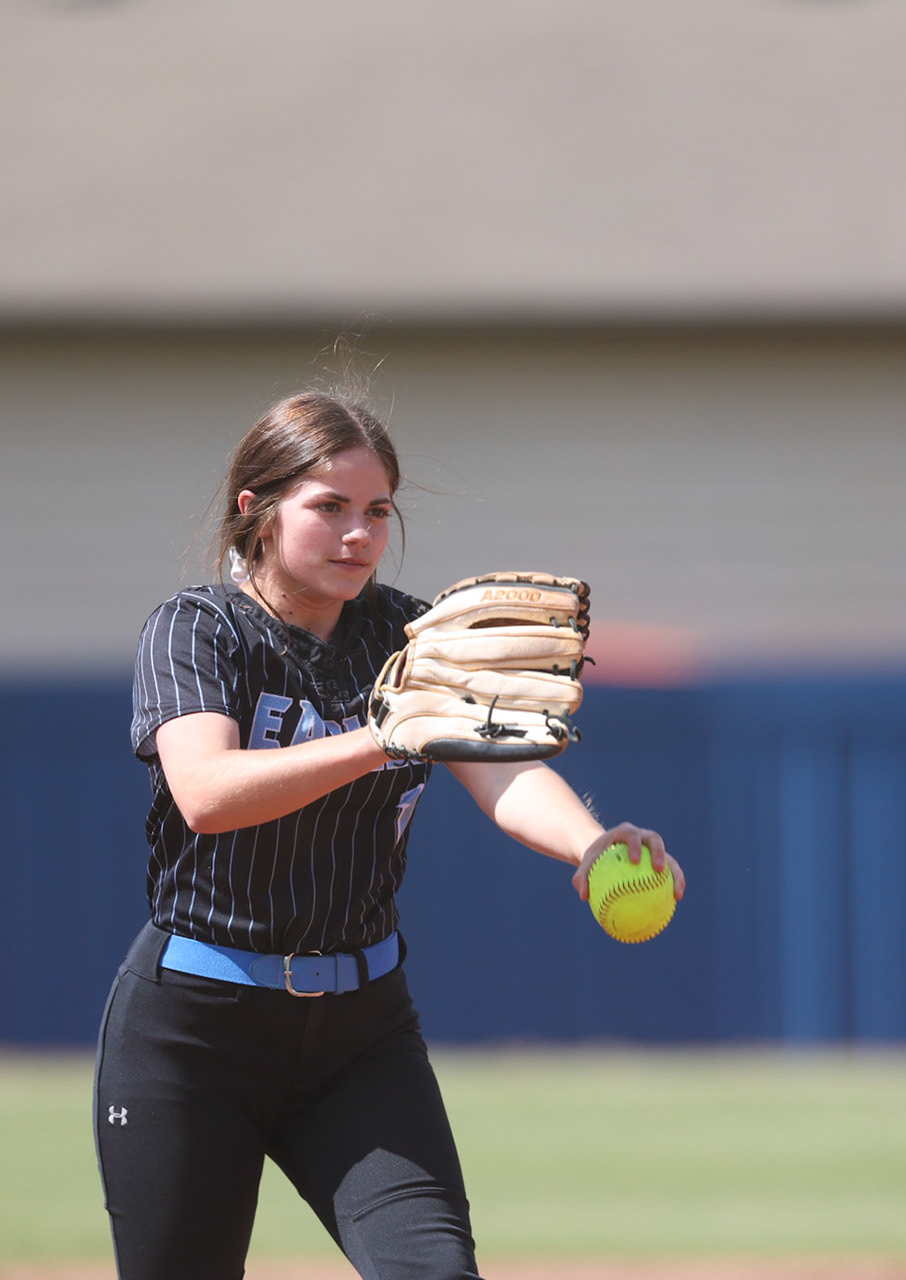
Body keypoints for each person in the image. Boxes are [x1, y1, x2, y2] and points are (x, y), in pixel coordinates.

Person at [93, 388, 684, 1280]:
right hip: (193, 1034)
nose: (358, 533)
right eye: (327, 507)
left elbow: (504, 768)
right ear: (255, 510)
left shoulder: (411, 642)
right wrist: (379, 738)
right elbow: (207, 794)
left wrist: (590, 845)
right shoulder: (197, 630)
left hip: (357, 1037)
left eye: (377, 511)